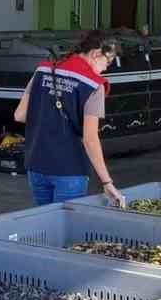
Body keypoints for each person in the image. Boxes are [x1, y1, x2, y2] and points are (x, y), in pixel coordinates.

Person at [14, 31, 126, 207]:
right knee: (65, 228)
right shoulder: (94, 86)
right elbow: (90, 139)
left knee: (43, 225)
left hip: (36, 165)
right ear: (96, 54)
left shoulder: (43, 70)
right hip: (69, 170)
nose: (106, 68)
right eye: (108, 61)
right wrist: (107, 182)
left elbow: (19, 115)